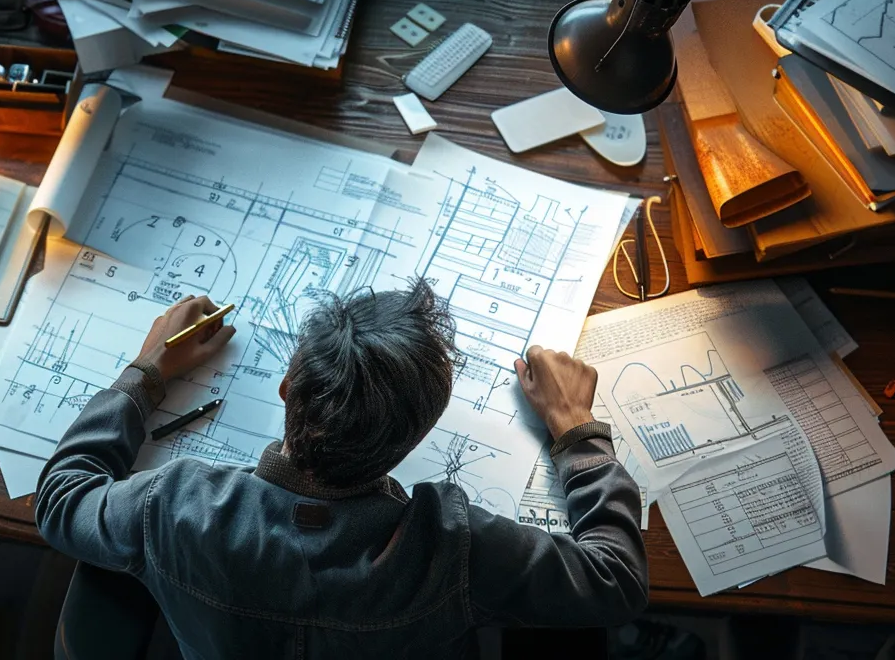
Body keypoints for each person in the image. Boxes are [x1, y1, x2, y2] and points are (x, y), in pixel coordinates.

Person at [35, 280, 648, 658]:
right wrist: (575, 428)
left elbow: (62, 501)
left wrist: (146, 372)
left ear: (285, 388)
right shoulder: (455, 548)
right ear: (415, 440)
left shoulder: (174, 508)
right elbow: (615, 581)